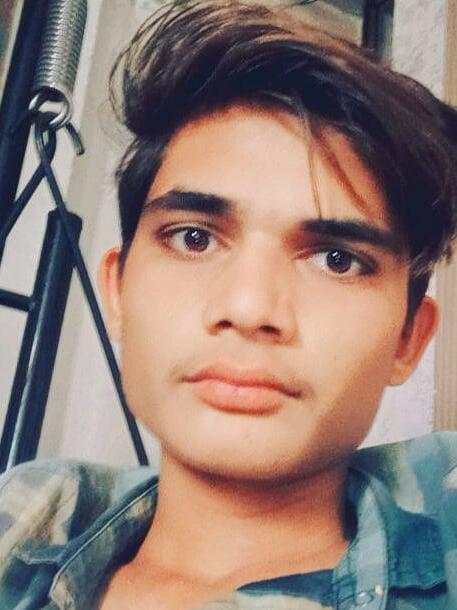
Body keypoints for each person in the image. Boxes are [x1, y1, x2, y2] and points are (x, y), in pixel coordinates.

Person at [1, 1, 457, 608]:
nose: (248, 307)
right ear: (118, 290)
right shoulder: (28, 516)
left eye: (336, 259)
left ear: (408, 338)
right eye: (194, 239)